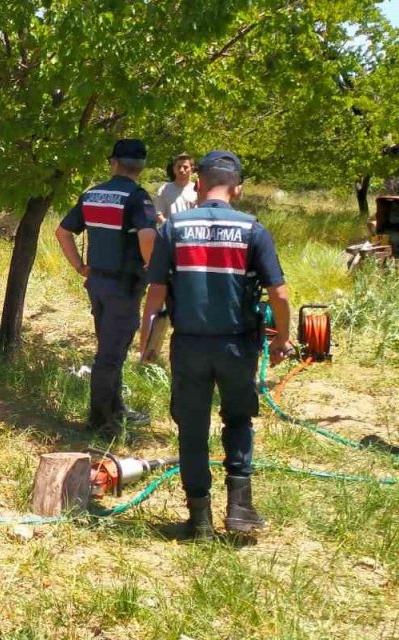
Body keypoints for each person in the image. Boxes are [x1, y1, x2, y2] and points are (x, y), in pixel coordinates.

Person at [138, 150, 291, 540]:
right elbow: (280, 294)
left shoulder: (174, 228)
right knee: (238, 420)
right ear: (237, 189)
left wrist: (147, 342)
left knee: (191, 428)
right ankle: (240, 510)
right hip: (238, 348)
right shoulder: (253, 230)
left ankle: (199, 520)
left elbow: (156, 291)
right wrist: (283, 340)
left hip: (189, 346)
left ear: (199, 185)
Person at [54, 139, 158, 435]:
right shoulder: (138, 198)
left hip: (97, 281)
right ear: (141, 167)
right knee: (109, 356)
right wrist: (155, 272)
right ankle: (100, 422)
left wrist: (79, 266)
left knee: (112, 348)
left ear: (113, 163)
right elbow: (148, 237)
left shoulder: (92, 195)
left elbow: (62, 232)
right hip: (124, 286)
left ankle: (116, 408)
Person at [154, 153, 197, 223]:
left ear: (192, 169)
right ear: (174, 169)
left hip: (192, 232)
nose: (181, 170)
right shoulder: (164, 189)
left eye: (185, 167)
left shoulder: (197, 190)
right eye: (179, 167)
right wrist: (171, 227)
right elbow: (158, 214)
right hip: (171, 232)